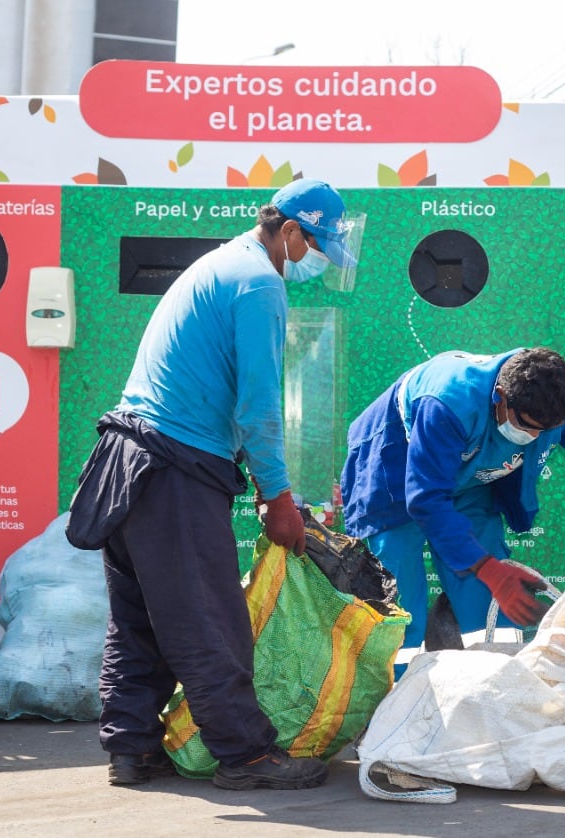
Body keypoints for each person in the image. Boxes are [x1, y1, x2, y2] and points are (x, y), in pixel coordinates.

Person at [67, 179, 359, 789]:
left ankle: (131, 749)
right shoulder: (259, 283)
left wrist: (260, 482)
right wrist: (277, 497)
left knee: (140, 619)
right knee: (208, 617)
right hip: (172, 468)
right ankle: (244, 754)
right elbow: (260, 407)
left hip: (129, 459)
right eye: (315, 246)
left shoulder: (221, 263)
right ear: (289, 231)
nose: (316, 261)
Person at [340, 347, 565, 655]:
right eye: (528, 426)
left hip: (468, 480)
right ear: (501, 398)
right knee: (400, 610)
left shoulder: (559, 398)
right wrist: (488, 568)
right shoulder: (448, 403)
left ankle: (498, 689)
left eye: (546, 431)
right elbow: (427, 500)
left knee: (489, 604)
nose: (535, 437)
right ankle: (396, 700)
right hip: (391, 473)